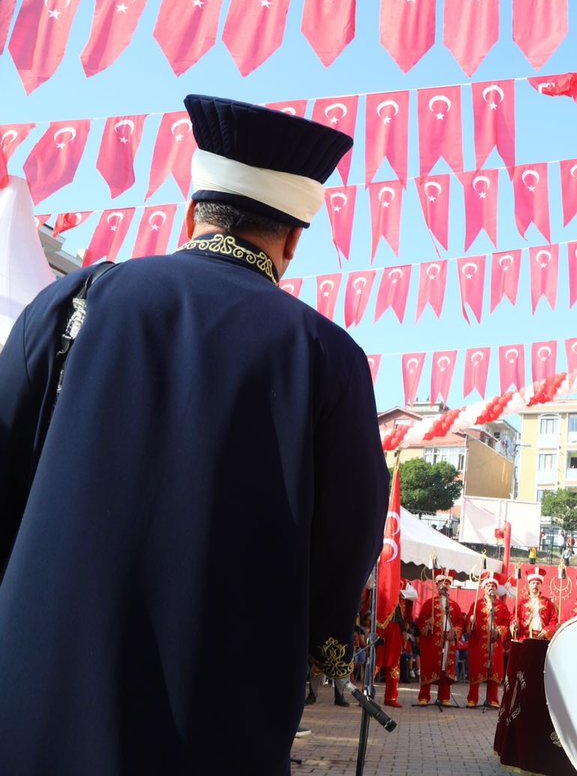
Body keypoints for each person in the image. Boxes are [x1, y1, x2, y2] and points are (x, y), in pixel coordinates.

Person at [0, 95, 388, 775]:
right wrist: (319, 638)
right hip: (215, 703)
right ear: (294, 239)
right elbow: (348, 533)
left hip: (40, 674)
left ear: (192, 213)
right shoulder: (328, 356)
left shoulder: (78, 300)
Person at [415, 569, 464, 706]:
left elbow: (460, 622)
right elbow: (420, 621)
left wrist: (454, 631)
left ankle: (444, 697)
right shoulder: (428, 603)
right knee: (429, 666)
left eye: (447, 583)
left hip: (448, 641)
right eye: (442, 583)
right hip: (432, 641)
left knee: (445, 669)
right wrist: (427, 623)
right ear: (437, 585)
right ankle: (424, 696)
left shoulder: (454, 605)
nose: (444, 586)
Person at [466, 571, 511, 708]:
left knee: (494, 671)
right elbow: (468, 625)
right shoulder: (476, 604)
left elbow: (506, 622)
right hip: (479, 643)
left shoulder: (501, 606)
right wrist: (471, 622)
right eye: (488, 585)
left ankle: (492, 699)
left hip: (495, 643)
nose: (490, 588)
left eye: (493, 585)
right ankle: (472, 699)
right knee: (476, 669)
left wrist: (499, 631)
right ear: (484, 588)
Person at [511, 567, 558, 641]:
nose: (535, 585)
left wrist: (546, 631)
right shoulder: (521, 602)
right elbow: (514, 616)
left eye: (537, 583)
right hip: (525, 637)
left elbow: (554, 620)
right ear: (529, 585)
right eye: (533, 583)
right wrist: (514, 624)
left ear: (541, 586)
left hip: (541, 637)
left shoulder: (547, 602)